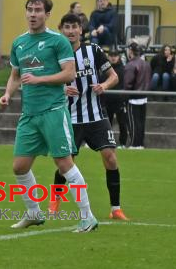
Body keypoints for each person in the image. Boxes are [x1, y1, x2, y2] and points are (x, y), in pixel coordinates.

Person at [0, 0, 98, 233]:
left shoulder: (57, 41)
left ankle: (88, 218)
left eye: (38, 10)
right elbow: (15, 75)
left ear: (47, 15)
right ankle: (34, 212)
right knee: (19, 167)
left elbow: (69, 74)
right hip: (29, 114)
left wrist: (39, 79)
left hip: (53, 111)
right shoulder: (19, 43)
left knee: (64, 163)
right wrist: (7, 94)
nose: (33, 14)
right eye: (29, 9)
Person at [50, 13, 129, 221]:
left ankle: (116, 209)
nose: (71, 31)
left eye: (74, 26)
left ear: (81, 29)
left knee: (111, 158)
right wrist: (62, 88)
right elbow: (47, 81)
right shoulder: (55, 53)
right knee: (66, 163)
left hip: (96, 116)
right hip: (68, 117)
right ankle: (54, 204)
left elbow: (114, 76)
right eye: (66, 27)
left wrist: (103, 85)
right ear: (61, 29)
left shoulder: (93, 51)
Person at [124, 42, 152, 149]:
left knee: (133, 122)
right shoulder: (146, 63)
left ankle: (134, 144)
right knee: (141, 122)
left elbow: (127, 83)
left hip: (133, 97)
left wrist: (124, 97)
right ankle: (140, 143)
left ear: (131, 51)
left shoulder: (131, 65)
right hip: (144, 96)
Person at [104, 50, 128, 148]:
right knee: (106, 124)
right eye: (111, 55)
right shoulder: (104, 68)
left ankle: (123, 143)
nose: (113, 57)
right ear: (108, 57)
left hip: (119, 100)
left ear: (118, 57)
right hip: (107, 100)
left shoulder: (123, 68)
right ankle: (107, 142)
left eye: (115, 55)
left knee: (122, 123)